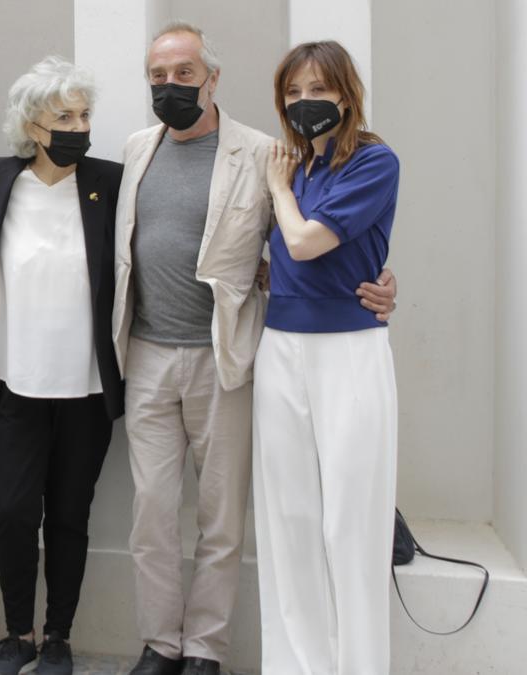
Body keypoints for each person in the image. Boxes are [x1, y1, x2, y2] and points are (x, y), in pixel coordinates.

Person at [112, 24, 398, 675]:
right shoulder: (136, 150)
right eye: (159, 75)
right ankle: (161, 642)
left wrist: (384, 284)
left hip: (230, 356)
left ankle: (206, 649)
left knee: (225, 519)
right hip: (154, 356)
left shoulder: (269, 156)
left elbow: (311, 242)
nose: (170, 86)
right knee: (153, 514)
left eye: (185, 74)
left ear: (212, 79)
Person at [253, 40, 400, 675]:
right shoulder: (296, 164)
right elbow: (273, 259)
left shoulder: (373, 160)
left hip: (349, 352)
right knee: (288, 519)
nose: (304, 103)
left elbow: (306, 241)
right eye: (292, 93)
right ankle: (296, 664)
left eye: (317, 90)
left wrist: (278, 190)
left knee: (352, 521)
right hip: (279, 346)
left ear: (345, 92)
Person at [0, 57, 123, 675]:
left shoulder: (110, 182)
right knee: (12, 511)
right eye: (64, 116)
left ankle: (58, 636)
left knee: (69, 514)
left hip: (87, 385)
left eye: (85, 114)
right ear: (32, 125)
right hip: (18, 381)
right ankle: (17, 634)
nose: (78, 126)